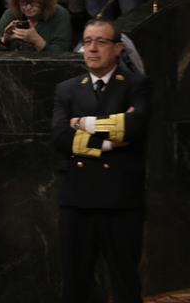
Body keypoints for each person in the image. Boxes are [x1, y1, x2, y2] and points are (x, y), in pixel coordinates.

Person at [51, 18, 150, 303]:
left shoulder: (136, 85)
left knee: (125, 284)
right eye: (87, 42)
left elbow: (135, 127)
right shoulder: (67, 89)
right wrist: (108, 141)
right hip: (77, 202)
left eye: (101, 42)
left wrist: (84, 124)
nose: (92, 49)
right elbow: (59, 136)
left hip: (121, 203)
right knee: (75, 285)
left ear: (118, 48)